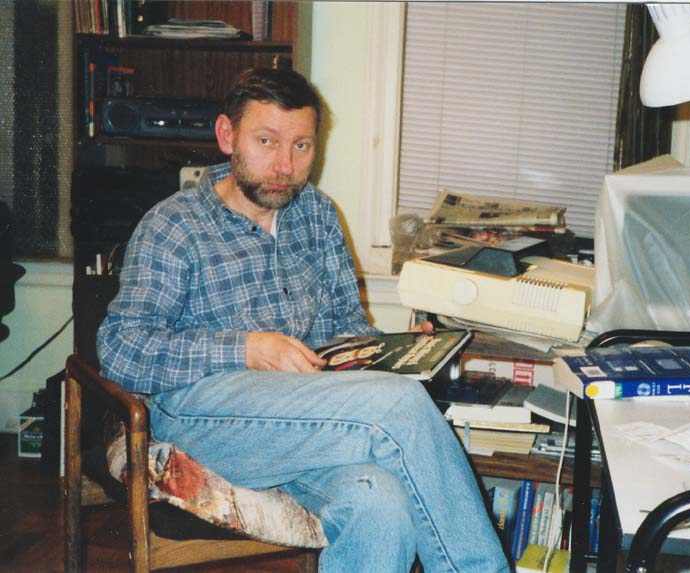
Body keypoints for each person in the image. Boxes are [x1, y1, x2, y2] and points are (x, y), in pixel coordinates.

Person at [97, 68, 509, 573]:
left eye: (301, 146)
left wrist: (397, 351)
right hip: (200, 421)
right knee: (398, 405)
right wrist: (247, 349)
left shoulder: (317, 214)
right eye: (266, 142)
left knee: (380, 504)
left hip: (299, 423)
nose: (284, 166)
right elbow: (120, 349)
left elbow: (345, 328)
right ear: (227, 135)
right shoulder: (174, 225)